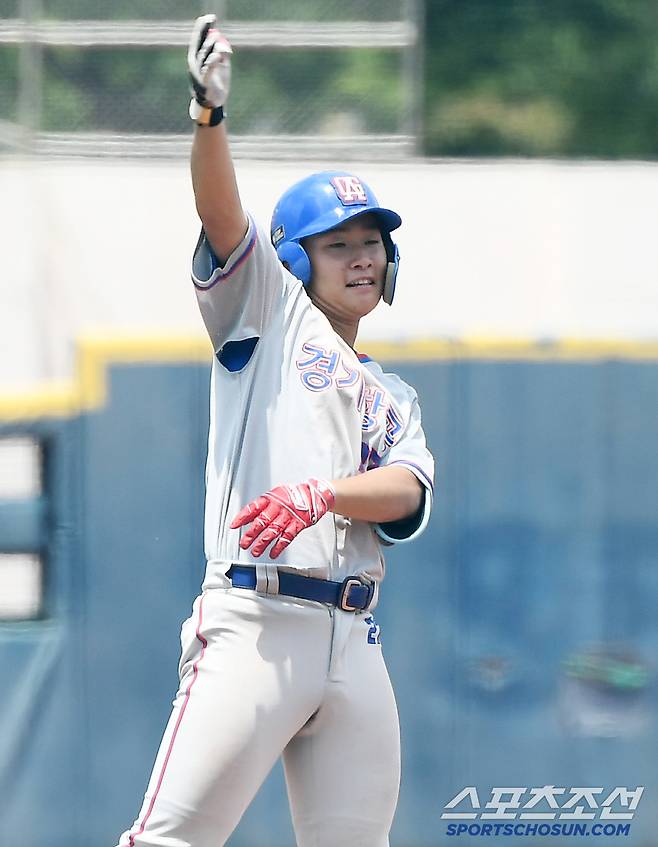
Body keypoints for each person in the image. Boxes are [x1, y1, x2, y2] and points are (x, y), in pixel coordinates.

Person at [115, 14, 434, 847]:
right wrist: (209, 119)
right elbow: (224, 216)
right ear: (296, 260)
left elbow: (406, 490)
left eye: (372, 243)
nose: (362, 257)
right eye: (338, 245)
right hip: (255, 623)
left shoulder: (393, 393)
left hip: (355, 637)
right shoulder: (270, 314)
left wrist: (321, 492)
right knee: (168, 841)